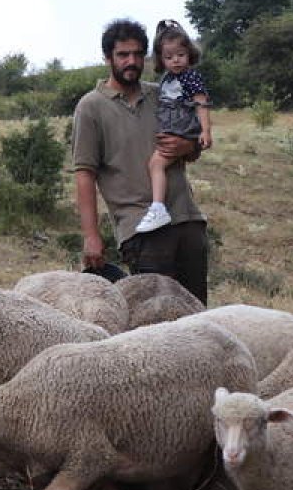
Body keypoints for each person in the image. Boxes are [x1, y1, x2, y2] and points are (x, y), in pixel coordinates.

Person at [72, 19, 209, 305]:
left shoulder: (163, 93)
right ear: (108, 57)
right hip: (141, 230)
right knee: (156, 324)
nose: (131, 61)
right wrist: (91, 236)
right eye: (123, 55)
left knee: (198, 318)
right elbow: (85, 172)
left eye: (137, 54)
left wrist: (188, 144)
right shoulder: (91, 107)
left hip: (187, 219)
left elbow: (195, 143)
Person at [135, 20, 212, 234]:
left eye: (180, 55)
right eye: (169, 57)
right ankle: (160, 206)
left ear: (189, 53)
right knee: (158, 165)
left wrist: (205, 131)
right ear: (161, 59)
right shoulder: (167, 79)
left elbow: (202, 102)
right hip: (172, 128)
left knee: (155, 164)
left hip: (183, 128)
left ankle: (158, 208)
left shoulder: (191, 77)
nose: (175, 60)